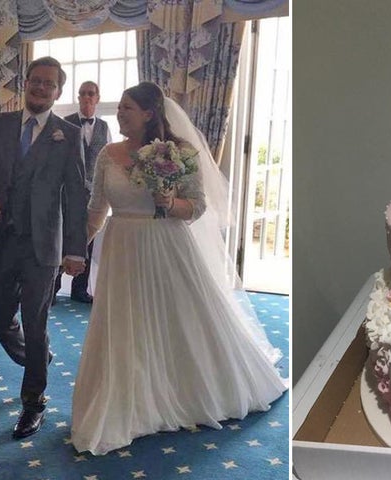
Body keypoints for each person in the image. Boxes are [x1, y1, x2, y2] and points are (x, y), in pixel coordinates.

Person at [70, 81, 287, 455]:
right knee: (124, 322)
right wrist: (75, 250)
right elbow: (96, 209)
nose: (119, 113)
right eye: (119, 107)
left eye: (127, 108)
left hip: (166, 243)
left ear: (149, 114)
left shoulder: (178, 153)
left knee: (181, 316)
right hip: (121, 246)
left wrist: (169, 202)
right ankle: (130, 400)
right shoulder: (108, 153)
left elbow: (198, 207)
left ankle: (190, 390)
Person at [0, 56, 89, 439]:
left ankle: (33, 403)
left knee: (36, 324)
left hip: (43, 248)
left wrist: (76, 250)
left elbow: (77, 197)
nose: (40, 87)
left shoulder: (68, 134)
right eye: (35, 80)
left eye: (49, 83)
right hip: (0, 239)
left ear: (58, 91)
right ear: (26, 83)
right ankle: (38, 359)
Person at [53, 80, 112, 304]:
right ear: (78, 98)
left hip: (94, 195)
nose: (87, 97)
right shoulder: (65, 124)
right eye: (83, 94)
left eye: (91, 94)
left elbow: (107, 159)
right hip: (67, 193)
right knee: (63, 237)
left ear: (97, 98)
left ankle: (79, 289)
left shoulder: (104, 128)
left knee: (88, 240)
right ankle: (54, 287)